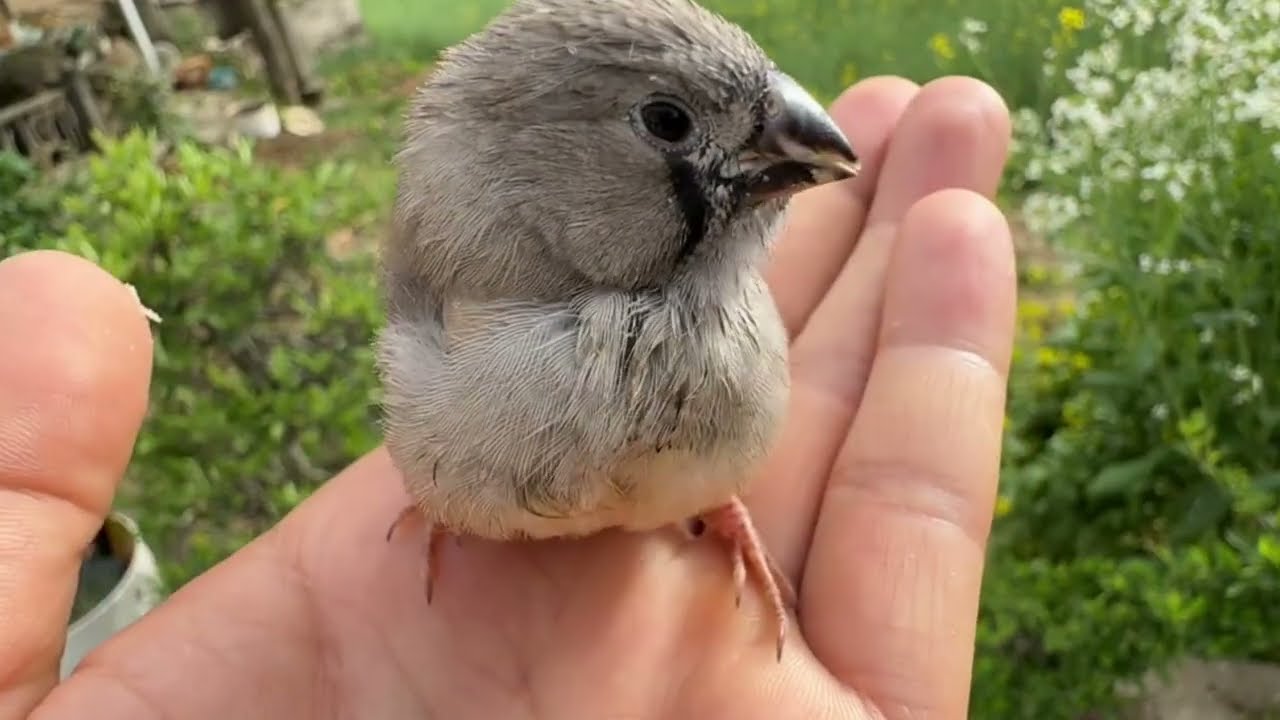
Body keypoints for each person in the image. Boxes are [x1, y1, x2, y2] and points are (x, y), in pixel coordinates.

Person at [0, 74, 1014, 720]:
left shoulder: (729, 305)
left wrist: (724, 494)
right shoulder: (458, 274)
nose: (786, 140)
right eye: (670, 124)